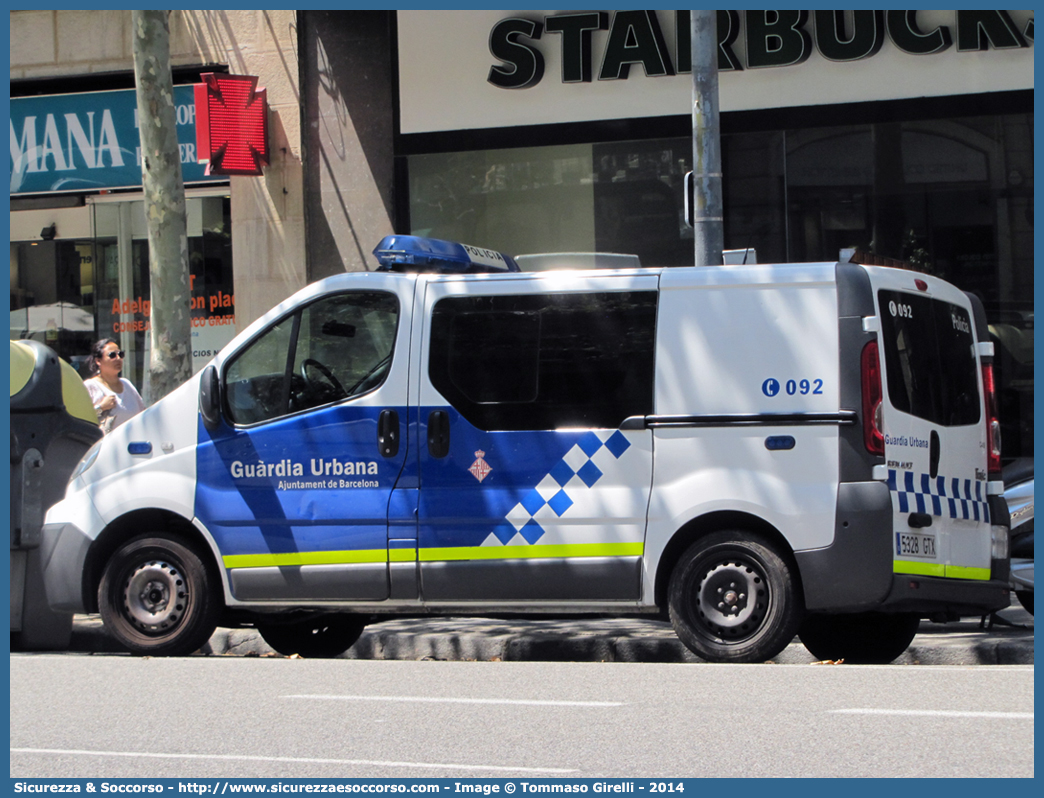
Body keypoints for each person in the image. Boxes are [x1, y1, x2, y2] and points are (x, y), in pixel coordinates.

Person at [84, 338, 146, 433]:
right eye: (112, 355)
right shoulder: (90, 386)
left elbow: (143, 413)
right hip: (105, 445)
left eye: (120, 354)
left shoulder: (127, 384)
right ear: (98, 361)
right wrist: (101, 407)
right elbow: (82, 419)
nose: (118, 359)